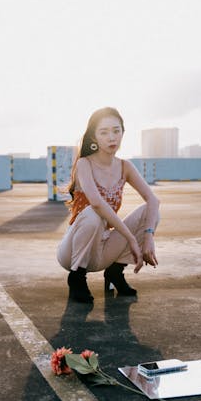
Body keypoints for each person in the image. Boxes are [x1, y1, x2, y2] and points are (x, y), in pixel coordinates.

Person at [56, 107, 160, 303]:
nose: (112, 137)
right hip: (72, 252)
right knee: (93, 215)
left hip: (102, 250)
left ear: (122, 133)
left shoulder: (125, 166)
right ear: (94, 138)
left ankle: (115, 272)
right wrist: (130, 238)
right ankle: (76, 278)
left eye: (116, 130)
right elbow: (96, 203)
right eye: (104, 132)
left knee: (151, 212)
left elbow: (153, 200)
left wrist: (148, 236)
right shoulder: (84, 164)